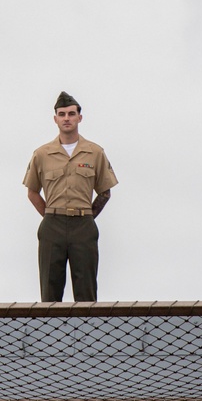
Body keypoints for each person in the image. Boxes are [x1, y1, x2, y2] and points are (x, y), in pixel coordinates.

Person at [23, 91, 118, 302]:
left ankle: (87, 332)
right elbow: (32, 191)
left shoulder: (95, 152)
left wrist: (87, 217)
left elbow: (105, 191)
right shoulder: (42, 154)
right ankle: (48, 333)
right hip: (52, 225)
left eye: (71, 114)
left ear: (79, 118)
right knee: (50, 290)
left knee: (86, 292)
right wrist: (50, 215)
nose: (67, 118)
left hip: (83, 224)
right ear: (55, 119)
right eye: (62, 114)